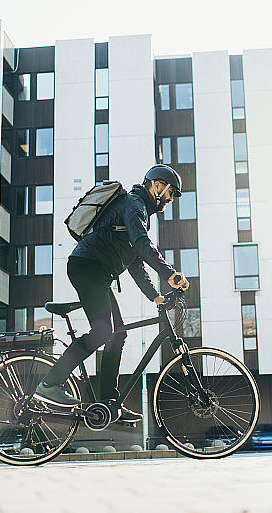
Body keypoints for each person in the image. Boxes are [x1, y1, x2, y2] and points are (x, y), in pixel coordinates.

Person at [34, 165, 189, 423]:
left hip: (97, 272)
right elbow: (143, 245)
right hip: (86, 267)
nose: (171, 199)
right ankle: (50, 384)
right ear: (158, 186)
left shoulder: (138, 211)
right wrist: (169, 273)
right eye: (171, 192)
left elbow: (135, 260)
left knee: (118, 333)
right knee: (104, 331)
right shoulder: (134, 203)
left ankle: (109, 403)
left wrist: (155, 296)